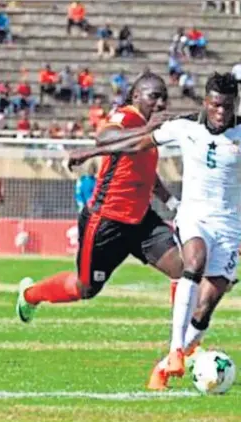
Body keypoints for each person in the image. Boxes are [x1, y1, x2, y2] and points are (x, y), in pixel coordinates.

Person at [72, 72, 241, 389]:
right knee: (194, 262)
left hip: (229, 227)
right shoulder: (183, 126)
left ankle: (164, 367)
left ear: (235, 104)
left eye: (228, 106)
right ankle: (176, 350)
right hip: (193, 217)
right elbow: (137, 143)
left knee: (207, 305)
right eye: (216, 105)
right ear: (206, 101)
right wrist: (90, 153)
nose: (221, 112)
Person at [15, 72, 183, 330]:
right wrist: (147, 128)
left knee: (182, 268)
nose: (160, 103)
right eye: (154, 96)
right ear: (136, 96)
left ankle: (182, 349)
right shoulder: (126, 116)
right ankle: (30, 295)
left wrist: (172, 204)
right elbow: (104, 138)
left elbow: (148, 174)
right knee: (85, 288)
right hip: (107, 220)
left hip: (141, 220)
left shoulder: (148, 133)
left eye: (164, 98)